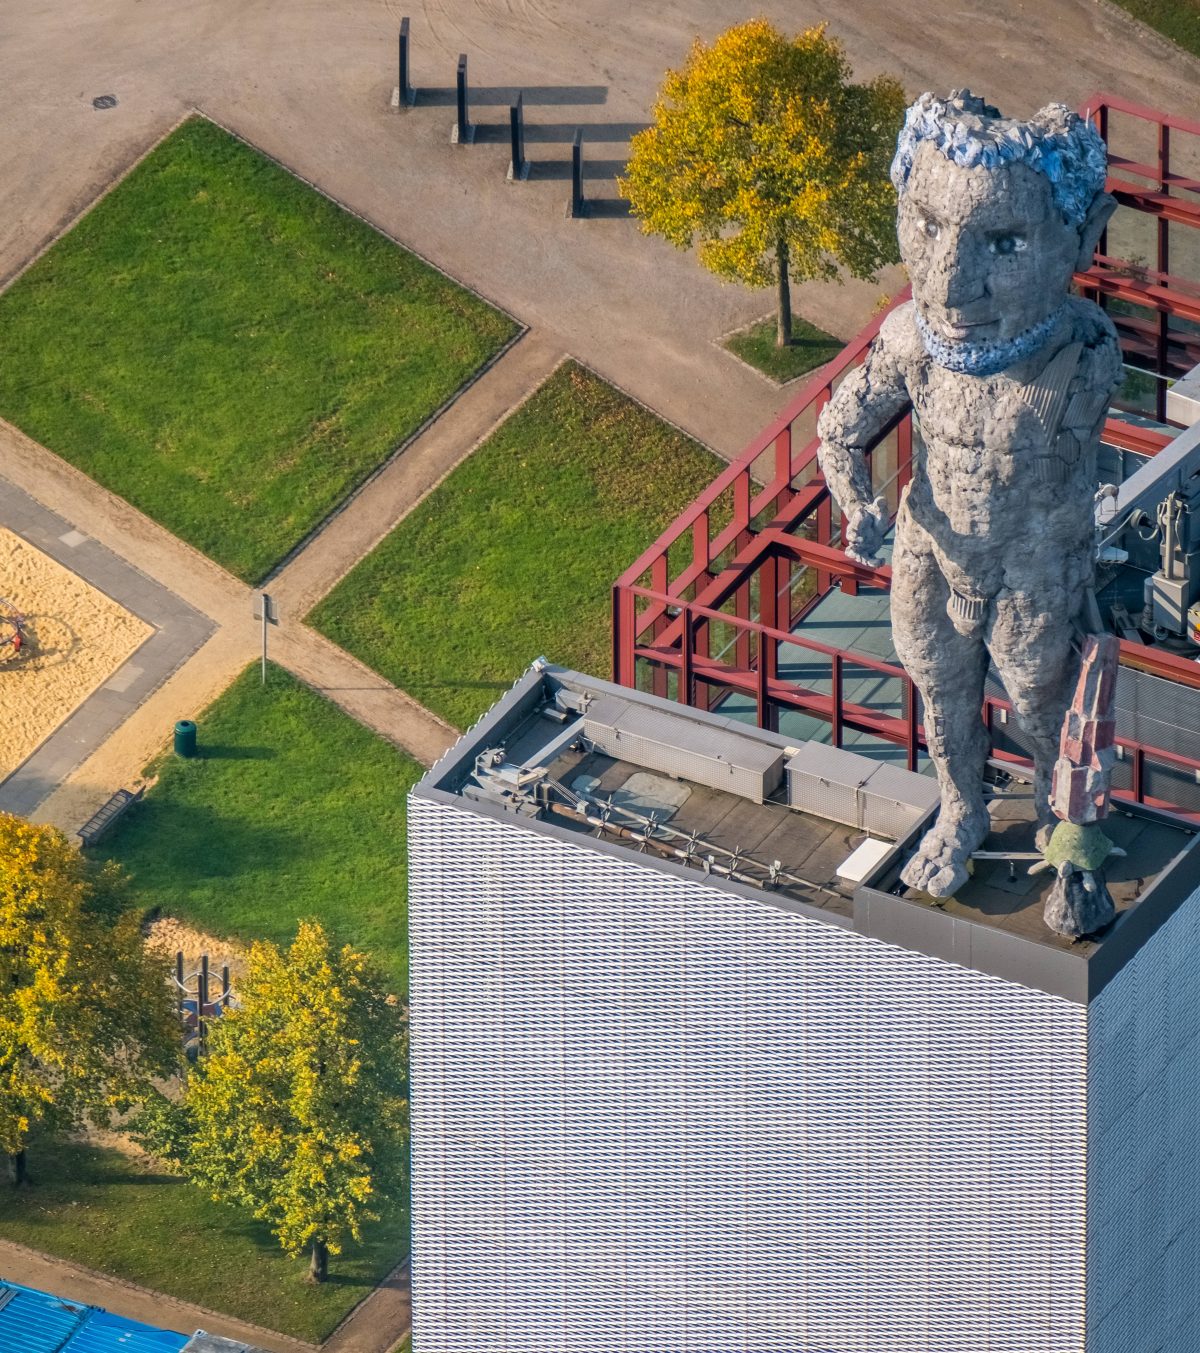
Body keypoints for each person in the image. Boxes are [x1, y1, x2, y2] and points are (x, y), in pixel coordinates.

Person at [817, 90, 1121, 898]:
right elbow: (841, 428)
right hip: (933, 541)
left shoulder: (1082, 351)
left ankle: (1075, 843)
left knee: (1047, 704)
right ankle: (962, 808)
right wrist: (857, 504)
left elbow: (1054, 464)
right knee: (940, 688)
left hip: (1032, 562)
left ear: (1083, 238)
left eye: (1005, 242)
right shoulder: (913, 340)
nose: (952, 283)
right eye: (927, 224)